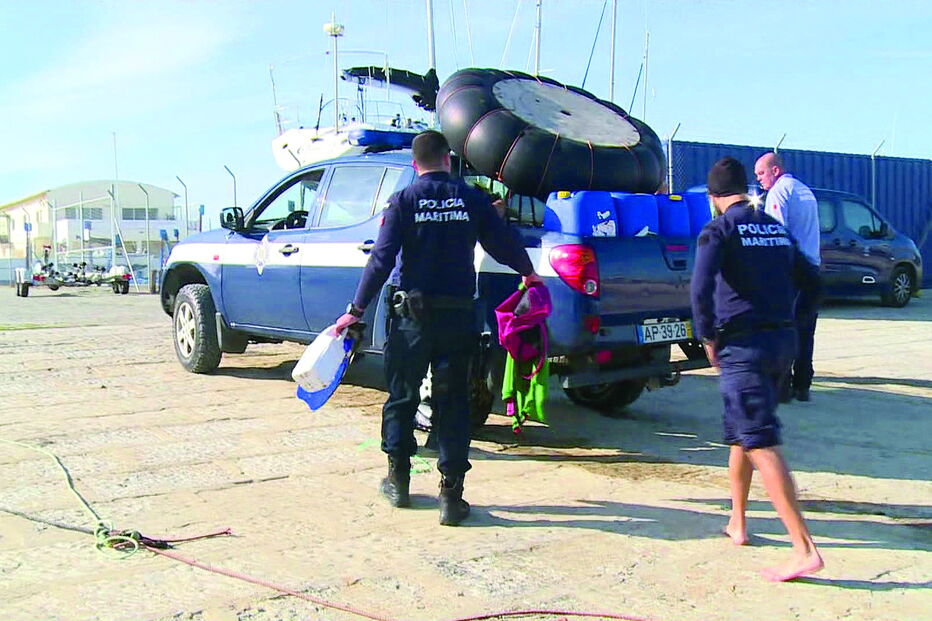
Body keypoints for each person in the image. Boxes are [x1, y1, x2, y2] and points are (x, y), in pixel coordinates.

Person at [334, 130, 541, 526]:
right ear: (448, 159)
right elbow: (501, 242)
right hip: (458, 318)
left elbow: (381, 259)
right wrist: (529, 273)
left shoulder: (404, 201)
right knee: (453, 402)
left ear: (416, 165)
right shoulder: (472, 198)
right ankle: (451, 496)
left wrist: (356, 309)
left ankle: (398, 482)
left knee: (402, 396)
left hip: (411, 318)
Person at [691, 157, 824, 582]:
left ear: (714, 199)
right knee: (740, 432)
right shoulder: (773, 228)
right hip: (781, 341)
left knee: (759, 439)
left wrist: (708, 338)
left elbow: (700, 289)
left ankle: (803, 548)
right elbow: (812, 279)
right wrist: (789, 319)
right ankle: (738, 522)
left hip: (743, 345)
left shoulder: (719, 230)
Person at [754, 152, 821, 402]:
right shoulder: (805, 191)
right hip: (812, 269)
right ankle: (803, 385)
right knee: (806, 332)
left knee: (782, 330)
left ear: (775, 170)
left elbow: (776, 235)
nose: (759, 179)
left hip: (791, 272)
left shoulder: (779, 192)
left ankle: (781, 388)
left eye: (761, 173)